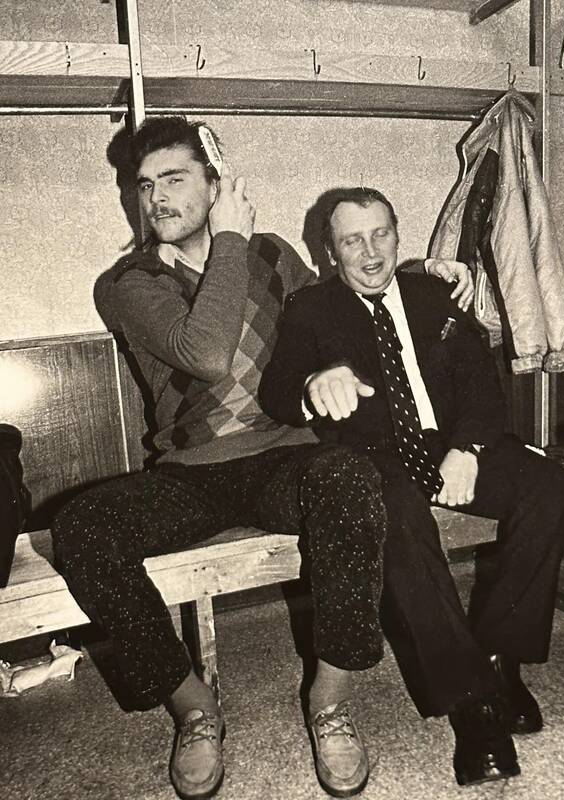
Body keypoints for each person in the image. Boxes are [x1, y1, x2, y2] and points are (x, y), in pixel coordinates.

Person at [51, 117, 473, 800]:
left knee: (350, 476)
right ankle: (195, 708)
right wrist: (230, 241)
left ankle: (329, 702)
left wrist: (419, 275)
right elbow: (206, 353)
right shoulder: (129, 281)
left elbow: (344, 300)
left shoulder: (272, 255)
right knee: (83, 527)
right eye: (145, 185)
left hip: (286, 457)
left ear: (215, 185)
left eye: (174, 179)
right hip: (193, 473)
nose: (156, 197)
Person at [259, 186, 564, 788]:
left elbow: (482, 389)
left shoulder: (435, 296)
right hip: (372, 458)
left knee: (549, 486)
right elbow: (276, 391)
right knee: (398, 521)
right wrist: (311, 384)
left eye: (380, 234)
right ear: (330, 251)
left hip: (449, 444)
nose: (370, 251)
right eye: (352, 240)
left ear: (397, 235)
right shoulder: (311, 309)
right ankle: (472, 705)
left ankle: (498, 659)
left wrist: (468, 450)